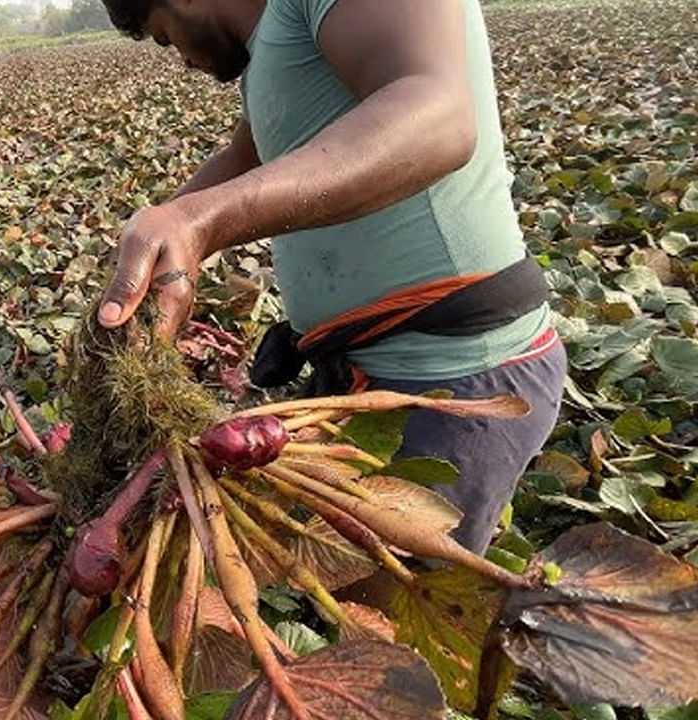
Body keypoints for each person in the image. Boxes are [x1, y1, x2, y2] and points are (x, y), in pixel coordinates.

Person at [95, 0, 567, 555]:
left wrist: (199, 221)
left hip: (457, 377)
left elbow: (436, 110)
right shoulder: (274, 41)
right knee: (346, 589)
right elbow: (249, 157)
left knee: (399, 613)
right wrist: (158, 234)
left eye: (165, 36)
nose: (183, 62)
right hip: (370, 380)